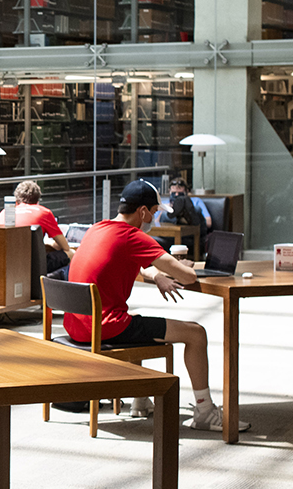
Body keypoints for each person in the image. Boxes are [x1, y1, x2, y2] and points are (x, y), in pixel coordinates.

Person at [65, 180, 248, 433]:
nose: (155, 217)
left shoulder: (98, 229)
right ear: (142, 212)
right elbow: (188, 278)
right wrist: (183, 265)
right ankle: (205, 411)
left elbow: (129, 261)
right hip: (106, 328)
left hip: (78, 325)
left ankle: (140, 401)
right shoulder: (133, 235)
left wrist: (157, 275)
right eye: (154, 211)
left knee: (136, 319)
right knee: (196, 333)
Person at [0, 180, 75, 274]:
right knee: (71, 254)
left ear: (16, 201)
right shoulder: (44, 212)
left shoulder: (4, 213)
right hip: (34, 265)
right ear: (37, 201)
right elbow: (65, 247)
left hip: (7, 263)